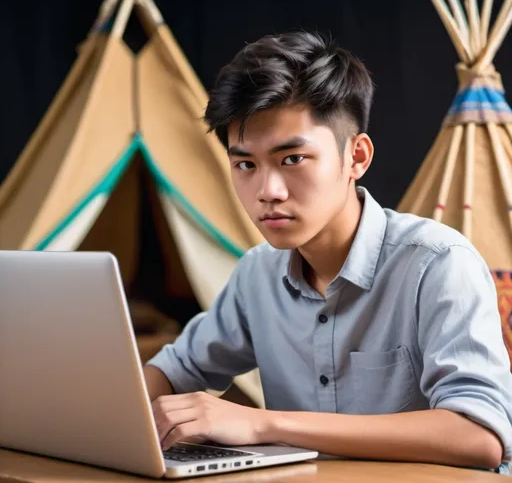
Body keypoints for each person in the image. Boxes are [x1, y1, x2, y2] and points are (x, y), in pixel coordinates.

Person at [143, 30, 512, 472]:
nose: (267, 191)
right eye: (245, 164)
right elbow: (174, 370)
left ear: (357, 156)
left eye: (292, 159)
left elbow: (480, 435)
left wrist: (265, 424)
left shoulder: (437, 264)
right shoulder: (257, 274)